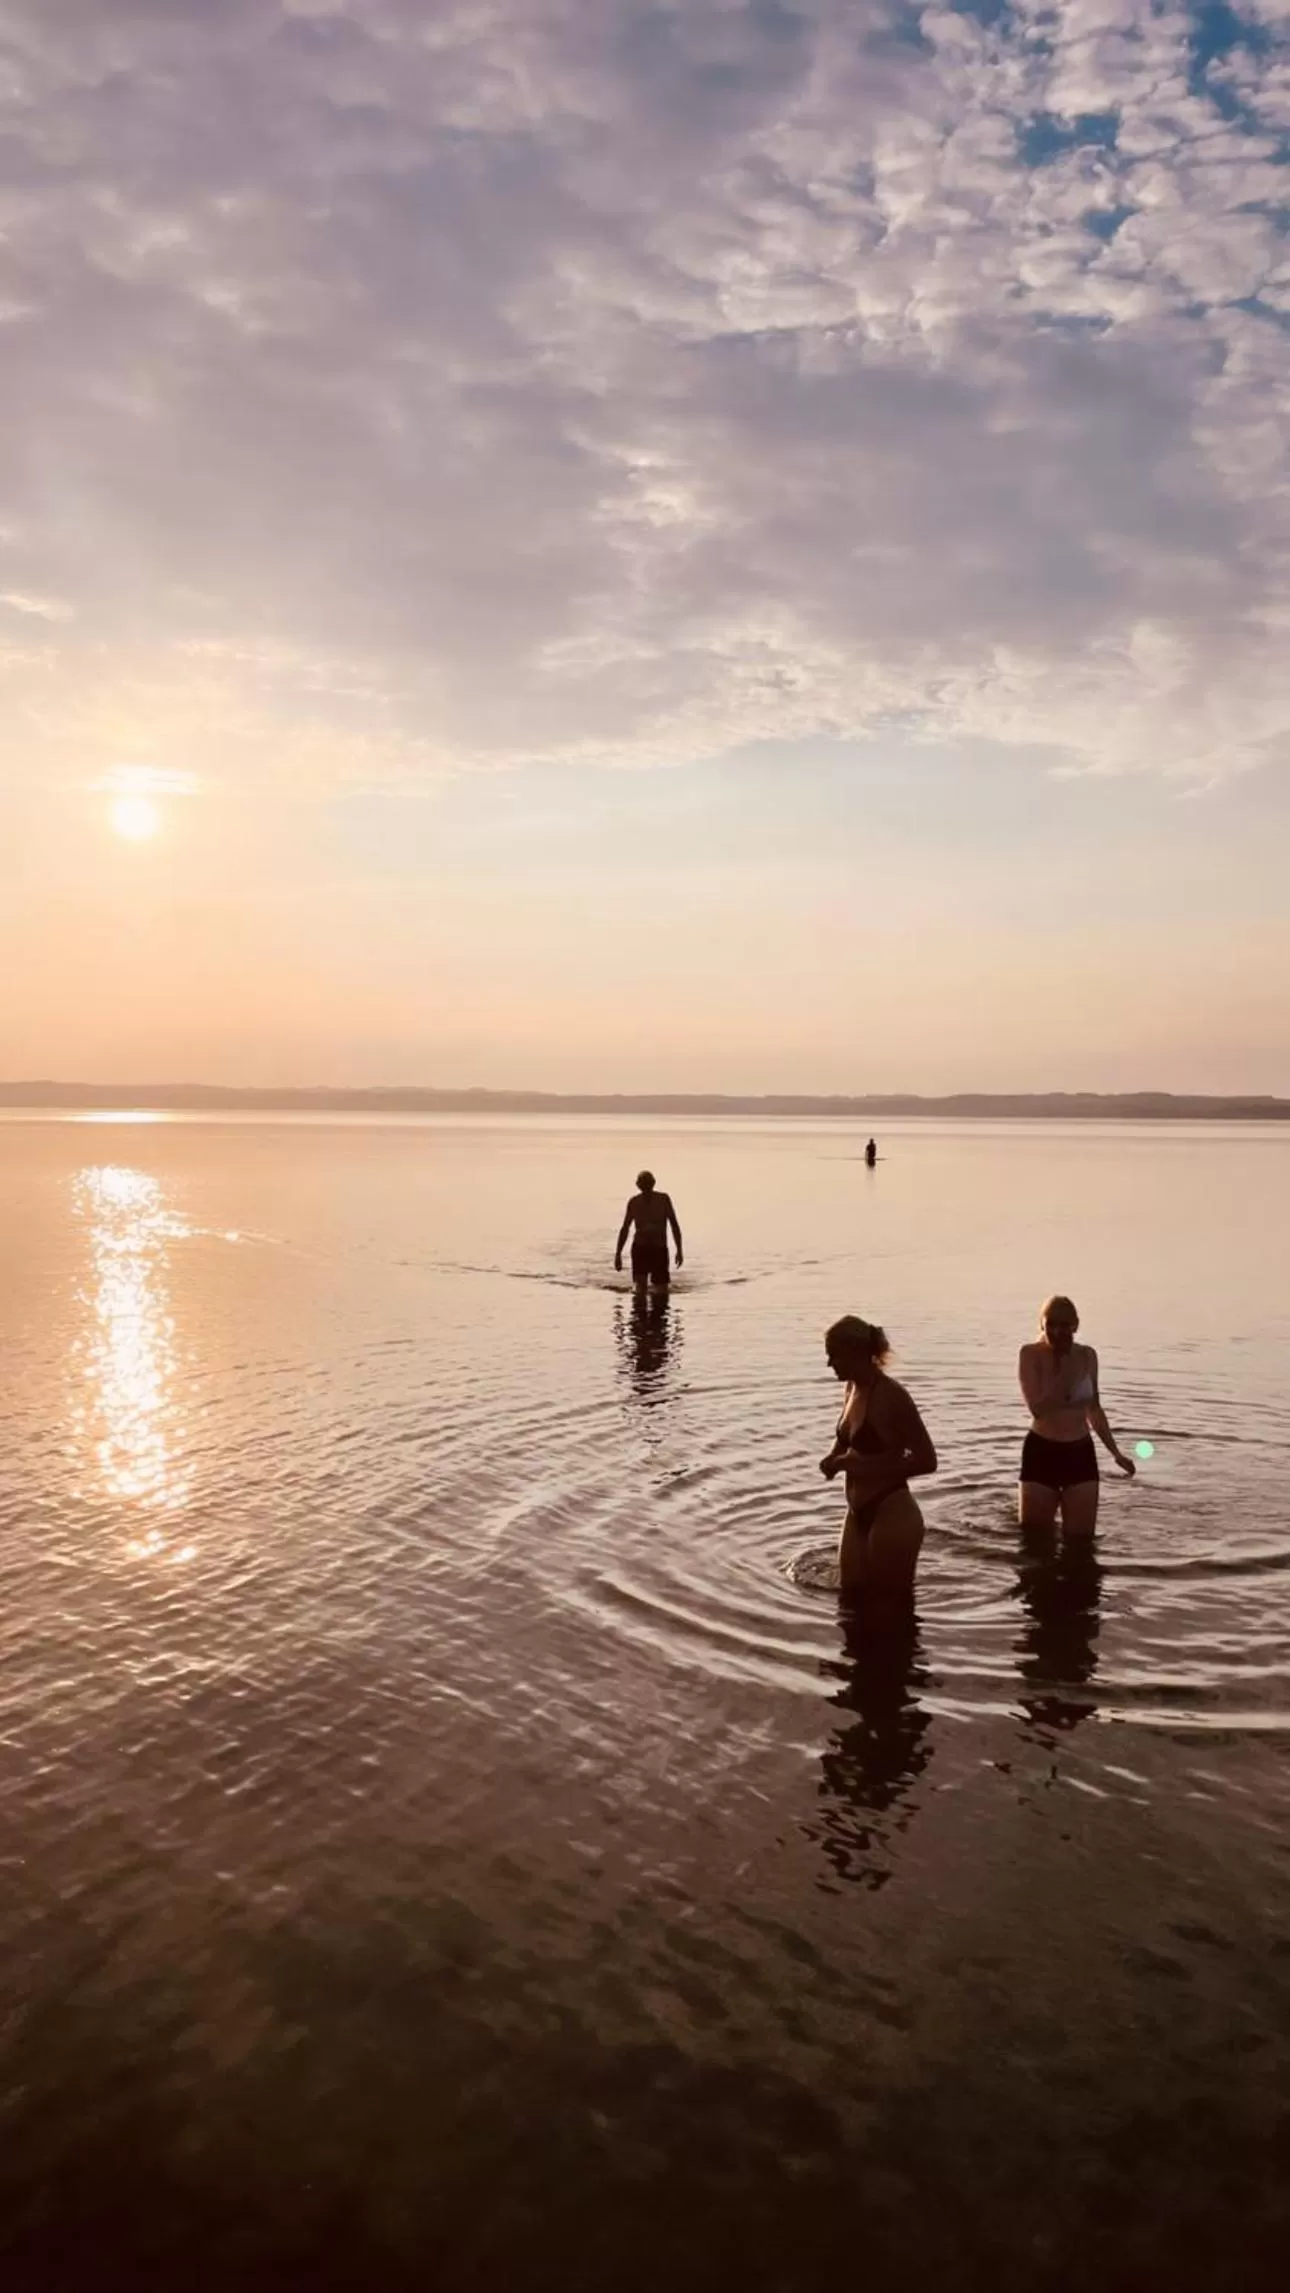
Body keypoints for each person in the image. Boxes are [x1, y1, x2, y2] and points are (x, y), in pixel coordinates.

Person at [819, 1315, 937, 1604]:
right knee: (851, 1602)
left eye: (834, 1355)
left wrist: (854, 1464)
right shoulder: (850, 1389)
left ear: (856, 1353)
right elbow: (847, 1438)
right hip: (857, 1513)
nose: (829, 1363)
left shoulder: (892, 1395)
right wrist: (833, 1456)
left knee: (891, 1609)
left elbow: (926, 1460)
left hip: (892, 1512)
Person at [1018, 1294, 1136, 1535]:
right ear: (1042, 1324)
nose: (1056, 1331)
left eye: (1063, 1325)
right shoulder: (1030, 1354)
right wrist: (1064, 1372)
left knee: (1082, 1543)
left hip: (1080, 1453)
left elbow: (1094, 1409)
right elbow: (1037, 1409)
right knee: (1034, 1542)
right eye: (1050, 1324)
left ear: (1075, 1326)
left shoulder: (1088, 1356)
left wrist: (1116, 1453)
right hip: (1041, 1451)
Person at [614, 1171, 683, 1289]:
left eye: (648, 1183)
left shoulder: (663, 1199)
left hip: (658, 1249)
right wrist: (618, 1254)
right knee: (641, 1289)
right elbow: (625, 1228)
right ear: (638, 1185)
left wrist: (679, 1250)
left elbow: (674, 1225)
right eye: (643, 1183)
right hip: (641, 1248)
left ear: (653, 1183)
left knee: (660, 1290)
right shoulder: (634, 1202)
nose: (646, 1186)